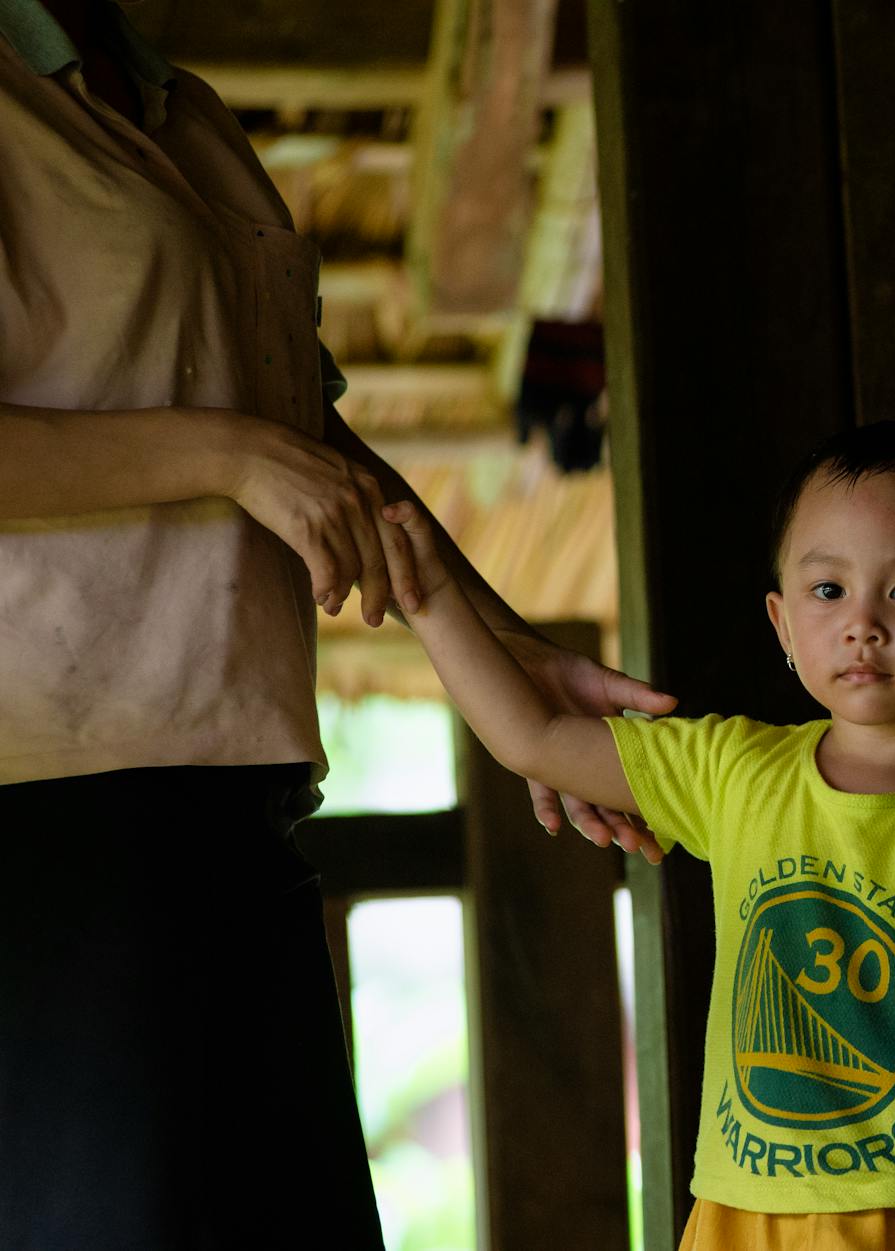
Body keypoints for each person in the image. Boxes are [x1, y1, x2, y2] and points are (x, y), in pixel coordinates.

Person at [0, 2, 671, 1245]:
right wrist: (227, 453)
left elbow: (302, 436)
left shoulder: (180, 112)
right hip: (48, 826)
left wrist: (506, 646)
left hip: (225, 809)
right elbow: (257, 450)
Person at [384, 421, 895, 1248]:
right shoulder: (734, 769)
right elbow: (535, 739)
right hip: (734, 1210)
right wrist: (431, 600)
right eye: (828, 591)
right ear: (781, 623)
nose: (863, 624)